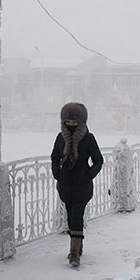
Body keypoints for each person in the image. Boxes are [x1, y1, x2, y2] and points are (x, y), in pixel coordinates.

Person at [51, 103, 103, 267]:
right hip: (65, 185)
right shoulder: (60, 138)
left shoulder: (88, 138)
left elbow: (98, 160)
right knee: (69, 217)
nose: (71, 124)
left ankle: (74, 254)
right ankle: (78, 246)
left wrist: (88, 175)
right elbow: (54, 158)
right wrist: (57, 174)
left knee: (77, 216)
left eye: (74, 122)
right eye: (68, 121)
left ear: (81, 122)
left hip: (82, 184)